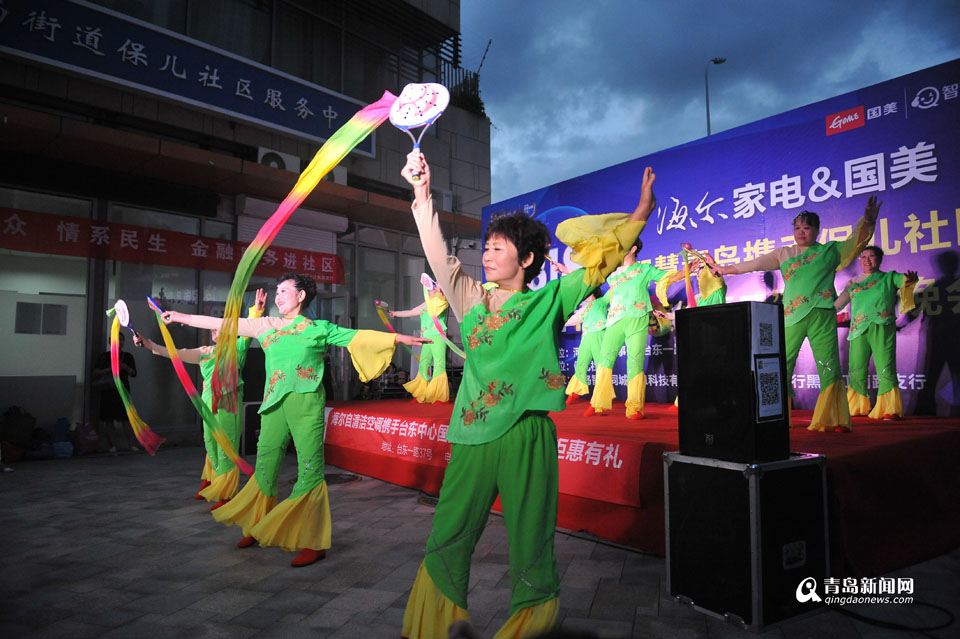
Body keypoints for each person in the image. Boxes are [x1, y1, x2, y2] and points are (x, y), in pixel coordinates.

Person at [399, 150, 655, 638]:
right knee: (448, 536)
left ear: (528, 258)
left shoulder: (549, 300)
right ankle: (434, 627)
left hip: (529, 435)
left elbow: (601, 266)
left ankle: (529, 628)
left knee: (532, 544)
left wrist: (640, 212)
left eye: (498, 248)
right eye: (487, 247)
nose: (488, 255)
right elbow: (437, 252)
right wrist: (422, 192)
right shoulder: (468, 297)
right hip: (473, 435)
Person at [162, 273, 429, 567]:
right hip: (273, 404)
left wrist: (399, 338)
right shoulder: (265, 326)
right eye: (277, 291)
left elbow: (357, 337)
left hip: (307, 405)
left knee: (310, 470)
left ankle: (313, 542)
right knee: (265, 465)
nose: (277, 296)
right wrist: (180, 316)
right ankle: (256, 525)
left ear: (301, 297)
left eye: (284, 291)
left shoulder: (318, 329)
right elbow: (223, 324)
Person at [716, 197, 879, 432]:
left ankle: (833, 419)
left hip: (822, 314)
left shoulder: (830, 250)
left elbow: (856, 242)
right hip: (792, 316)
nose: (801, 232)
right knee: (782, 365)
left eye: (807, 227)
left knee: (829, 365)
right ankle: (776, 416)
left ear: (817, 230)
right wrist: (724, 269)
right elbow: (754, 264)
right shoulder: (785, 253)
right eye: (797, 228)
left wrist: (868, 221)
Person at [135, 289, 267, 506]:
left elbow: (249, 332)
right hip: (208, 404)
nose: (214, 329)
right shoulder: (204, 351)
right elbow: (174, 353)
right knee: (210, 443)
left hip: (229, 405)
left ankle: (226, 493)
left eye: (218, 326)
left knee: (226, 446)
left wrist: (257, 311)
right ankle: (213, 482)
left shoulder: (237, 349)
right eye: (212, 327)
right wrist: (147, 343)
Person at [586, 239, 684, 419]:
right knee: (604, 360)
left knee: (635, 362)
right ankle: (598, 402)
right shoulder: (613, 274)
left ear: (632, 249)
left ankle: (635, 407)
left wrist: (685, 271)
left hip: (637, 320)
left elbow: (666, 277)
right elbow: (592, 278)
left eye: (623, 246)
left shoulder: (644, 270)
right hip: (615, 320)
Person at [835, 246, 918, 420]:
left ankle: (890, 408)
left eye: (871, 256)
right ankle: (856, 407)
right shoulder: (853, 283)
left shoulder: (889, 277)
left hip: (882, 326)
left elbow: (905, 281)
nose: (867, 260)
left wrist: (909, 281)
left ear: (879, 260)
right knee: (856, 368)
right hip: (858, 329)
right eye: (863, 257)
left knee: (885, 366)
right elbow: (838, 304)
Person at [389, 275, 451, 403]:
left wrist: (440, 290)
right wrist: (395, 313)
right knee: (423, 363)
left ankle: (438, 396)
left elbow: (443, 301)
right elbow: (411, 311)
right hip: (425, 337)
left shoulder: (441, 300)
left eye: (432, 288)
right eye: (428, 288)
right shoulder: (426, 303)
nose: (430, 290)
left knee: (439, 364)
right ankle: (421, 394)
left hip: (438, 336)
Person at [91, 331, 138, 454]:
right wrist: (111, 369)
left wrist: (125, 368)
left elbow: (134, 373)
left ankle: (131, 445)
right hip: (108, 390)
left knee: (126, 419)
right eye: (116, 340)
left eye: (121, 340)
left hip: (123, 391)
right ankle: (113, 446)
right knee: (108, 419)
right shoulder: (105, 357)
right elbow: (95, 372)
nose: (119, 342)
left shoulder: (127, 357)